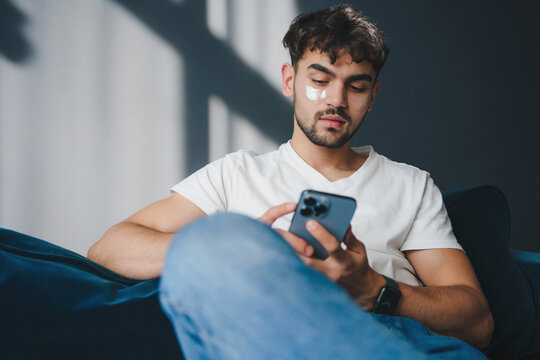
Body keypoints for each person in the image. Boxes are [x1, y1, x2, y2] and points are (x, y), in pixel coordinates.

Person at [88, 5, 493, 358]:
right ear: (289, 80)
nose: (336, 99)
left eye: (356, 86)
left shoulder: (412, 185)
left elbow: (477, 322)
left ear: (372, 97)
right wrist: (248, 251)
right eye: (320, 80)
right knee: (210, 245)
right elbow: (108, 249)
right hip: (275, 334)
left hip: (394, 335)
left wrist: (374, 288)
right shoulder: (234, 174)